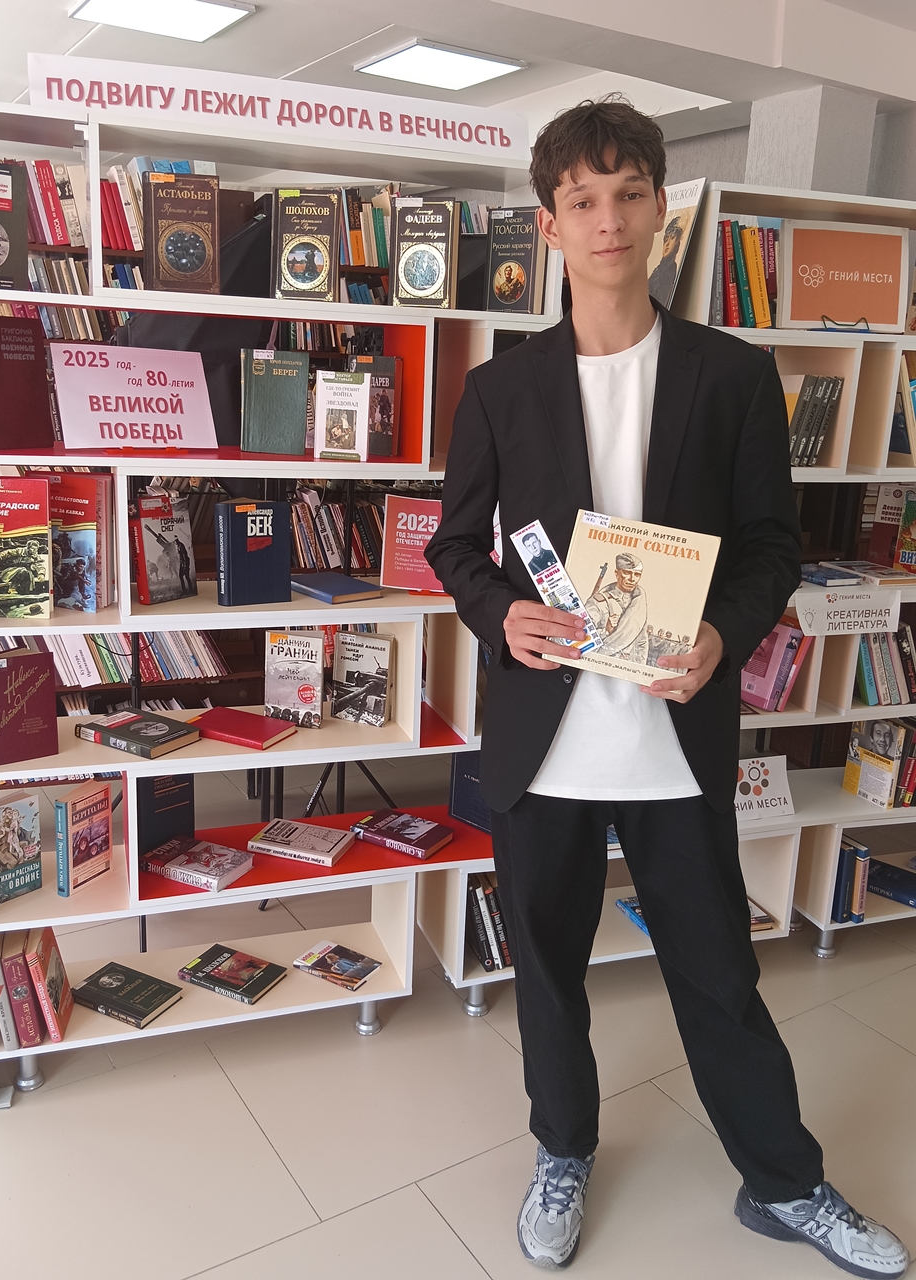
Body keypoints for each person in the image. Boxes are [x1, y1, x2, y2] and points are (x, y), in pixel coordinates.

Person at [425, 96, 908, 1278]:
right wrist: (500, 614)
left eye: (628, 194)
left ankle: (783, 1180)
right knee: (547, 969)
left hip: (672, 731)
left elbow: (771, 545)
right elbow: (455, 546)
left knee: (719, 973)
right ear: (549, 225)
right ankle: (563, 1148)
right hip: (546, 736)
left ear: (658, 212)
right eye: (582, 200)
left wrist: (723, 635)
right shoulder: (500, 388)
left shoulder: (731, 375)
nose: (608, 220)